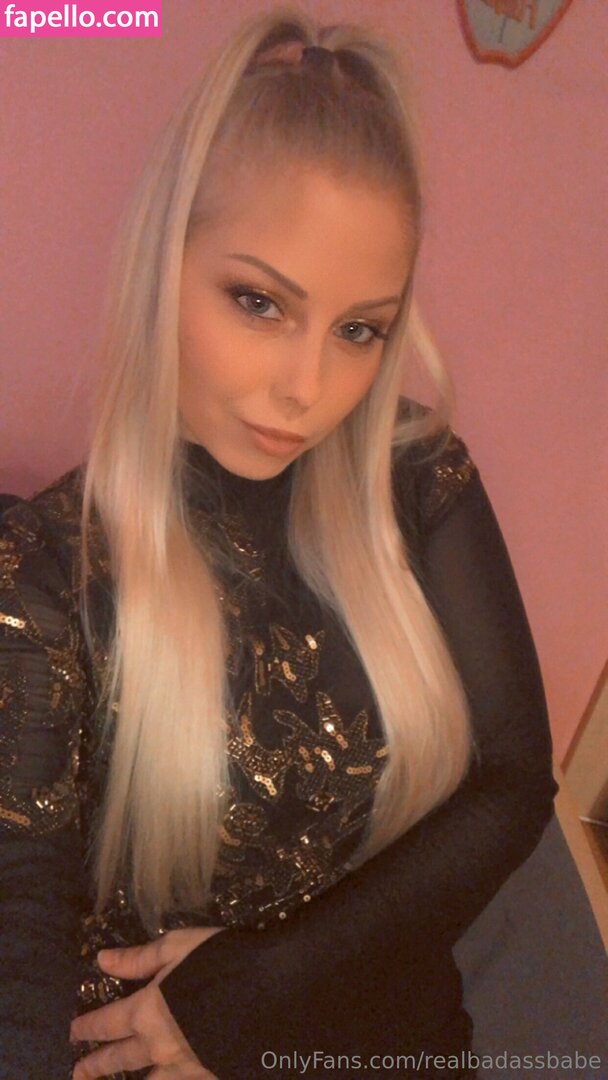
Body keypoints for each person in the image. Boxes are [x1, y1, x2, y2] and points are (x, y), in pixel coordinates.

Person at [0, 6, 559, 1079]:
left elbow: (510, 784)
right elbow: (18, 940)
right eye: (259, 302)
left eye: (359, 329)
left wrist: (256, 988)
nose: (309, 388)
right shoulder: (45, 575)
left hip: (379, 1031)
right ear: (166, 259)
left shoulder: (412, 477)